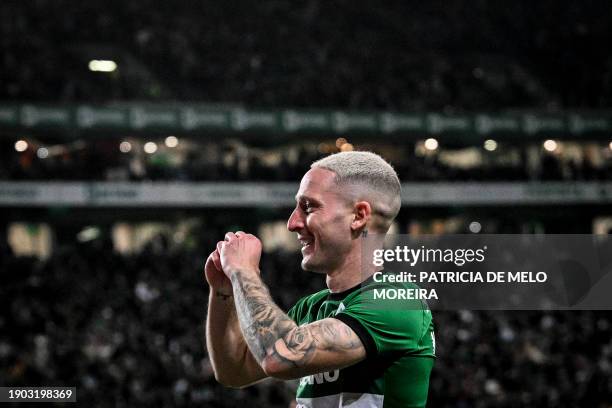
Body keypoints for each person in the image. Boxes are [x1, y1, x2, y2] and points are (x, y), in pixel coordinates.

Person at [205, 151, 435, 407]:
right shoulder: (311, 307)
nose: (292, 223)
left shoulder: (396, 301)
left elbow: (277, 357)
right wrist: (224, 291)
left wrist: (243, 272)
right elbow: (233, 372)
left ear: (358, 216)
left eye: (308, 207)